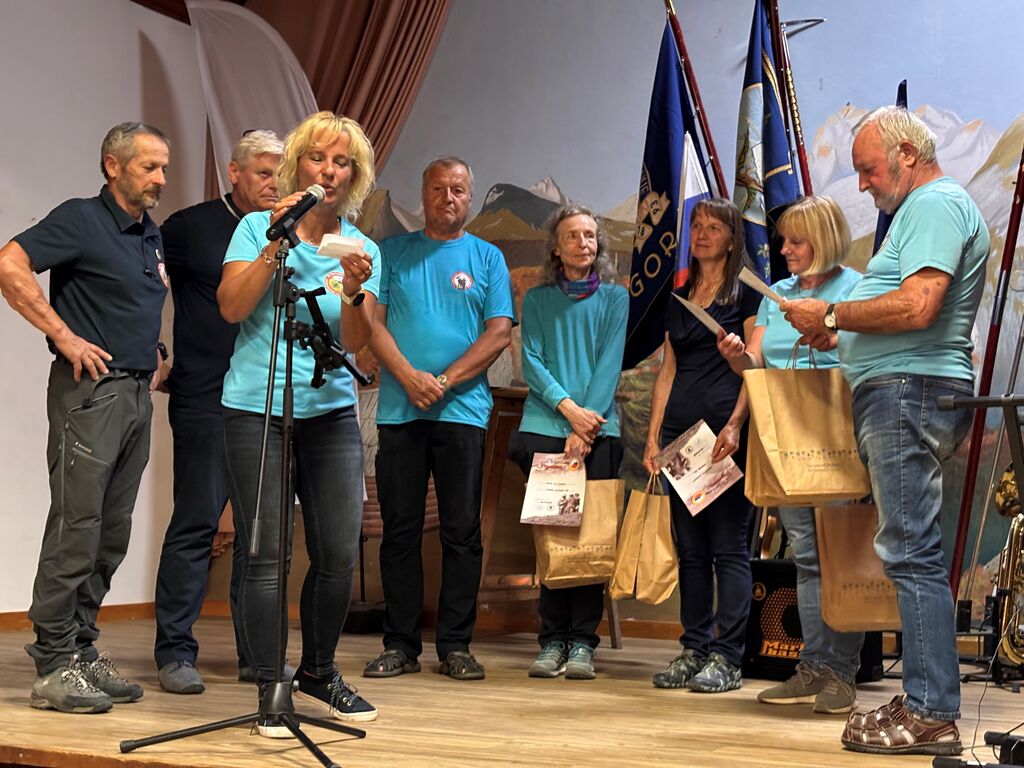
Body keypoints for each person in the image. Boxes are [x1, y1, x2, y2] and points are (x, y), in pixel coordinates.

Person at [781, 106, 990, 756]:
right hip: (906, 390)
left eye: (868, 169)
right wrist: (840, 333)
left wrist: (832, 314)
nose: (863, 183)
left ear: (905, 154)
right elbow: (903, 305)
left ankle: (930, 710)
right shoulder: (926, 208)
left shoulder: (933, 203)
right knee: (909, 549)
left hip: (907, 392)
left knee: (910, 552)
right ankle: (925, 702)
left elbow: (920, 303)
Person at [217, 111, 379, 733]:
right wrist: (276, 243)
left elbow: (357, 342)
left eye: (342, 163)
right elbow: (232, 307)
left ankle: (317, 670)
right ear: (297, 165)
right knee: (265, 554)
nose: (329, 171)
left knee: (337, 551)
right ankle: (270, 686)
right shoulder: (255, 228)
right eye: (318, 158)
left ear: (354, 177)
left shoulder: (362, 249)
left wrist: (354, 292)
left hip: (329, 413)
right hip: (255, 409)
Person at [0, 122, 170, 714]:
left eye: (164, 167)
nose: (161, 178)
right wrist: (64, 335)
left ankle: (82, 646)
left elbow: (131, 302)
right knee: (78, 524)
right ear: (112, 166)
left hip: (135, 394)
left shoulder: (149, 233)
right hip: (90, 396)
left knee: (111, 530)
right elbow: (10, 264)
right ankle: (52, 662)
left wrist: (156, 352)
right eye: (149, 166)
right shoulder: (81, 219)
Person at [364, 156, 514, 681]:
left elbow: (499, 333)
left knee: (461, 532)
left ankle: (456, 646)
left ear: (468, 198)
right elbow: (373, 324)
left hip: (463, 413)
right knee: (400, 531)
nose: (448, 197)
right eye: (438, 189)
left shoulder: (487, 257)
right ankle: (400, 646)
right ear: (423, 193)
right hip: (400, 411)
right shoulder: (391, 253)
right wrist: (410, 378)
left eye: (457, 189)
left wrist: (443, 381)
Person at [716, 195, 865, 714]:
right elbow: (756, 365)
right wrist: (737, 357)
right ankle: (813, 667)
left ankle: (842, 673)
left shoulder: (856, 290)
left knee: (838, 554)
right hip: (784, 442)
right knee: (805, 555)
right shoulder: (774, 294)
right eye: (783, 241)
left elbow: (864, 356)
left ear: (823, 240)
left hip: (835, 437)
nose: (784, 250)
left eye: (796, 241)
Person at [153, 130, 284, 694]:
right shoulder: (189, 228)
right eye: (263, 172)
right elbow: (142, 283)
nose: (273, 183)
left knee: (261, 535)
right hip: (205, 396)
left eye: (280, 174)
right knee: (196, 524)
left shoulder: (291, 231)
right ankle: (175, 653)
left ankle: (255, 655)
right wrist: (154, 349)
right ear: (234, 172)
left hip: (266, 400)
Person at [642, 197, 761, 693]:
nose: (703, 235)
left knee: (728, 547)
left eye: (714, 228)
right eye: (697, 227)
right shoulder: (679, 296)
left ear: (732, 239)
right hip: (681, 439)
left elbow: (755, 368)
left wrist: (735, 426)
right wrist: (654, 434)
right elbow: (668, 370)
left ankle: (727, 657)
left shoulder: (747, 294)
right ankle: (694, 648)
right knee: (690, 550)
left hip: (722, 438)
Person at [507, 204, 627, 680]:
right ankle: (551, 640)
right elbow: (532, 363)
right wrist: (570, 413)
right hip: (547, 426)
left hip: (599, 432)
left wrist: (585, 427)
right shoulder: (537, 300)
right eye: (573, 235)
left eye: (590, 235)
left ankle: (582, 643)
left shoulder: (615, 299)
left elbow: (609, 363)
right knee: (553, 536)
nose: (583, 243)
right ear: (556, 248)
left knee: (590, 540)